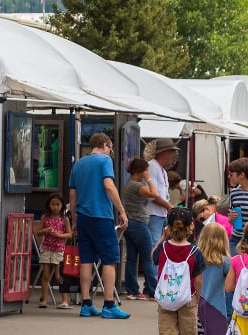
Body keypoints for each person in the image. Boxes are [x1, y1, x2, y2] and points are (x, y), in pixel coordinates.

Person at [66, 132, 129, 319]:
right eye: (109, 147)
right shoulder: (104, 161)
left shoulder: (78, 164)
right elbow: (109, 186)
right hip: (101, 216)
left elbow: (72, 195)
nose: (110, 151)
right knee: (110, 259)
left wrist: (75, 220)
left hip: (83, 217)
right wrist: (122, 211)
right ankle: (109, 304)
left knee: (86, 259)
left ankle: (86, 304)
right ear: (103, 145)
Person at [152, 207, 206, 335]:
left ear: (168, 226)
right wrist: (199, 299)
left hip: (166, 298)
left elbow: (153, 257)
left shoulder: (164, 248)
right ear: (191, 227)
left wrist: (162, 238)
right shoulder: (194, 252)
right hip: (187, 299)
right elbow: (198, 279)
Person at [195, 222, 231, 335]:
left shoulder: (198, 258)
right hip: (216, 304)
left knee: (206, 333)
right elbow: (231, 283)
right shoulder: (224, 262)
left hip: (200, 302)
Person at [119, 157, 156, 300]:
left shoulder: (129, 184)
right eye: (145, 170)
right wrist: (150, 179)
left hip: (130, 223)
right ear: (140, 171)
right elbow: (154, 195)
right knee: (147, 258)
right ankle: (153, 292)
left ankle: (132, 291)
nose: (147, 172)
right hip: (139, 224)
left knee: (132, 259)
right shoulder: (137, 186)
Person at [32, 193, 73, 308]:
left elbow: (70, 234)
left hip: (59, 249)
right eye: (53, 204)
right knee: (45, 275)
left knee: (59, 276)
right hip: (46, 248)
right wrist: (46, 230)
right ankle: (44, 299)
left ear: (62, 205)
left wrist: (59, 235)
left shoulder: (64, 218)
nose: (55, 207)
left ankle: (64, 300)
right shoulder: (45, 217)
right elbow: (39, 232)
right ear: (48, 205)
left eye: (58, 204)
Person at [146, 139, 181, 251]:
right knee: (154, 248)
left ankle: (157, 268)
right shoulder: (152, 166)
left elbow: (161, 194)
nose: (173, 156)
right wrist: (168, 206)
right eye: (171, 152)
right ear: (163, 153)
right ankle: (155, 268)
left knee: (159, 247)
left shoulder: (163, 171)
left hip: (160, 215)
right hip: (153, 215)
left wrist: (169, 206)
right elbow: (152, 195)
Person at [227, 158, 248, 253]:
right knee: (233, 266)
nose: (229, 177)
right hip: (236, 239)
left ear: (242, 175)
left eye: (231, 174)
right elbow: (233, 222)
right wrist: (231, 219)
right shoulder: (234, 193)